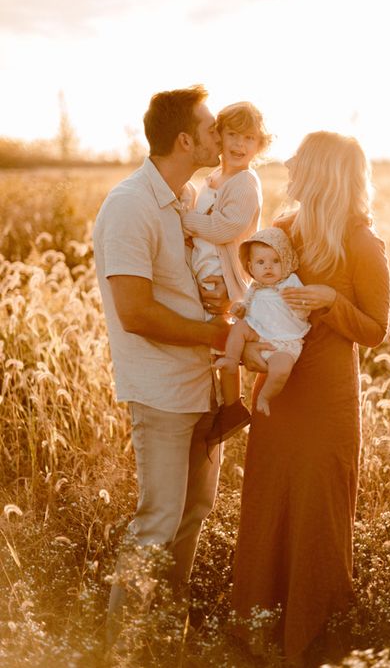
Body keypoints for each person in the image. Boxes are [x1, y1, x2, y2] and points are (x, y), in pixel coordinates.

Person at [231, 131, 390, 665]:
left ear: (322, 172)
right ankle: (255, 639)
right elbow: (257, 297)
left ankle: (314, 645)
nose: (289, 168)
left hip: (327, 401)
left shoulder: (364, 243)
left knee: (320, 517)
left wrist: (330, 301)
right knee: (267, 505)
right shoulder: (283, 232)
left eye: (300, 162)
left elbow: (375, 330)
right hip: (279, 397)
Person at [92, 85, 231, 650]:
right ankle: (122, 651)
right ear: (184, 140)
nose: (220, 137)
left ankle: (164, 638)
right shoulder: (129, 205)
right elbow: (135, 312)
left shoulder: (189, 198)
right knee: (156, 524)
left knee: (193, 514)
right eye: (211, 129)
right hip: (162, 392)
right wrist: (219, 334)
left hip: (203, 387)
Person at [180, 101, 271, 442]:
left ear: (260, 145)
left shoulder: (246, 182)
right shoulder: (214, 178)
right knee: (211, 338)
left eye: (249, 138)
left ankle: (231, 406)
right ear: (218, 136)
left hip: (224, 271)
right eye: (232, 134)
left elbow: (226, 228)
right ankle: (216, 405)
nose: (239, 144)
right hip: (205, 265)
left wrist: (186, 222)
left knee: (222, 331)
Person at [215, 227, 311, 417]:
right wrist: (239, 309)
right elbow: (247, 310)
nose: (268, 267)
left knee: (281, 369)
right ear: (251, 268)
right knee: (239, 327)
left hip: (285, 342)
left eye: (276, 261)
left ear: (287, 261)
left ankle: (265, 397)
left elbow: (304, 309)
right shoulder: (255, 288)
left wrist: (299, 304)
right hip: (259, 334)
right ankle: (232, 361)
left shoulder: (290, 282)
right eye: (261, 262)